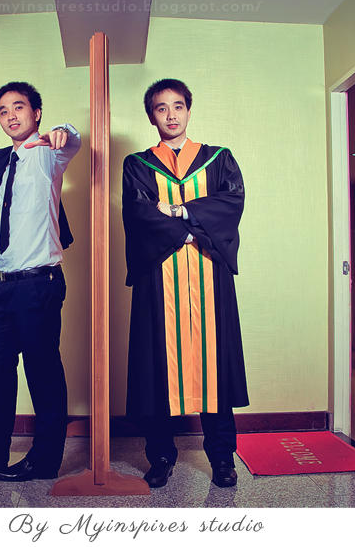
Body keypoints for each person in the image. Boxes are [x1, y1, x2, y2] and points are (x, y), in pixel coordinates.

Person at [121, 78, 248, 488]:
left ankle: (222, 459)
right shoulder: (138, 165)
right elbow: (138, 214)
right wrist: (194, 227)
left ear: (189, 110)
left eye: (178, 106)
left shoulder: (219, 159)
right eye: (161, 108)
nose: (171, 114)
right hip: (159, 283)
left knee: (215, 368)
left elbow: (231, 202)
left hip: (209, 279)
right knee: (158, 368)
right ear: (151, 116)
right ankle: (160, 456)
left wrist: (177, 212)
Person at [0, 81, 81, 482]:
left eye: (19, 107)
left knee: (42, 371)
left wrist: (63, 132)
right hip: (6, 283)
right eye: (3, 111)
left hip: (38, 282)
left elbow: (72, 140)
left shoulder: (46, 152)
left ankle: (44, 460)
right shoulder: (7, 163)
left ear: (36, 113)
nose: (10, 115)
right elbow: (21, 211)